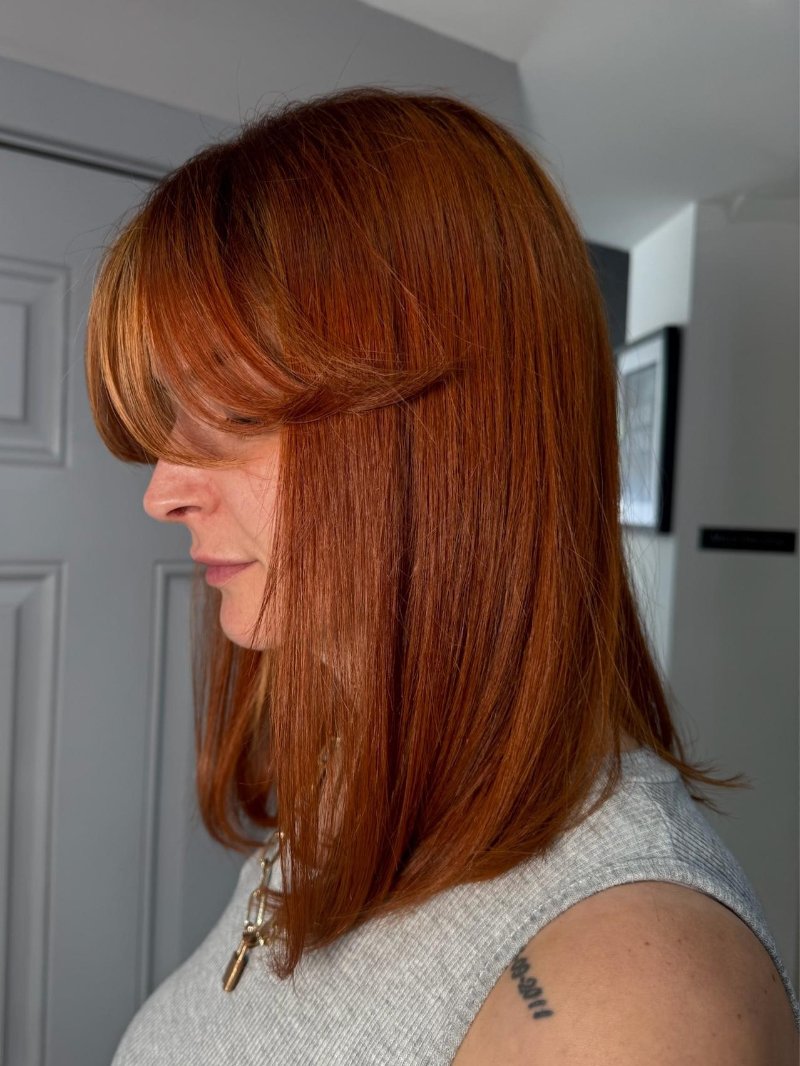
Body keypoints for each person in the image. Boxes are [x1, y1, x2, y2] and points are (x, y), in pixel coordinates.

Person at [84, 86, 799, 1064]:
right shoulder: (351, 774)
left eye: (238, 412)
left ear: (449, 439)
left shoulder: (628, 1005)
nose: (161, 491)